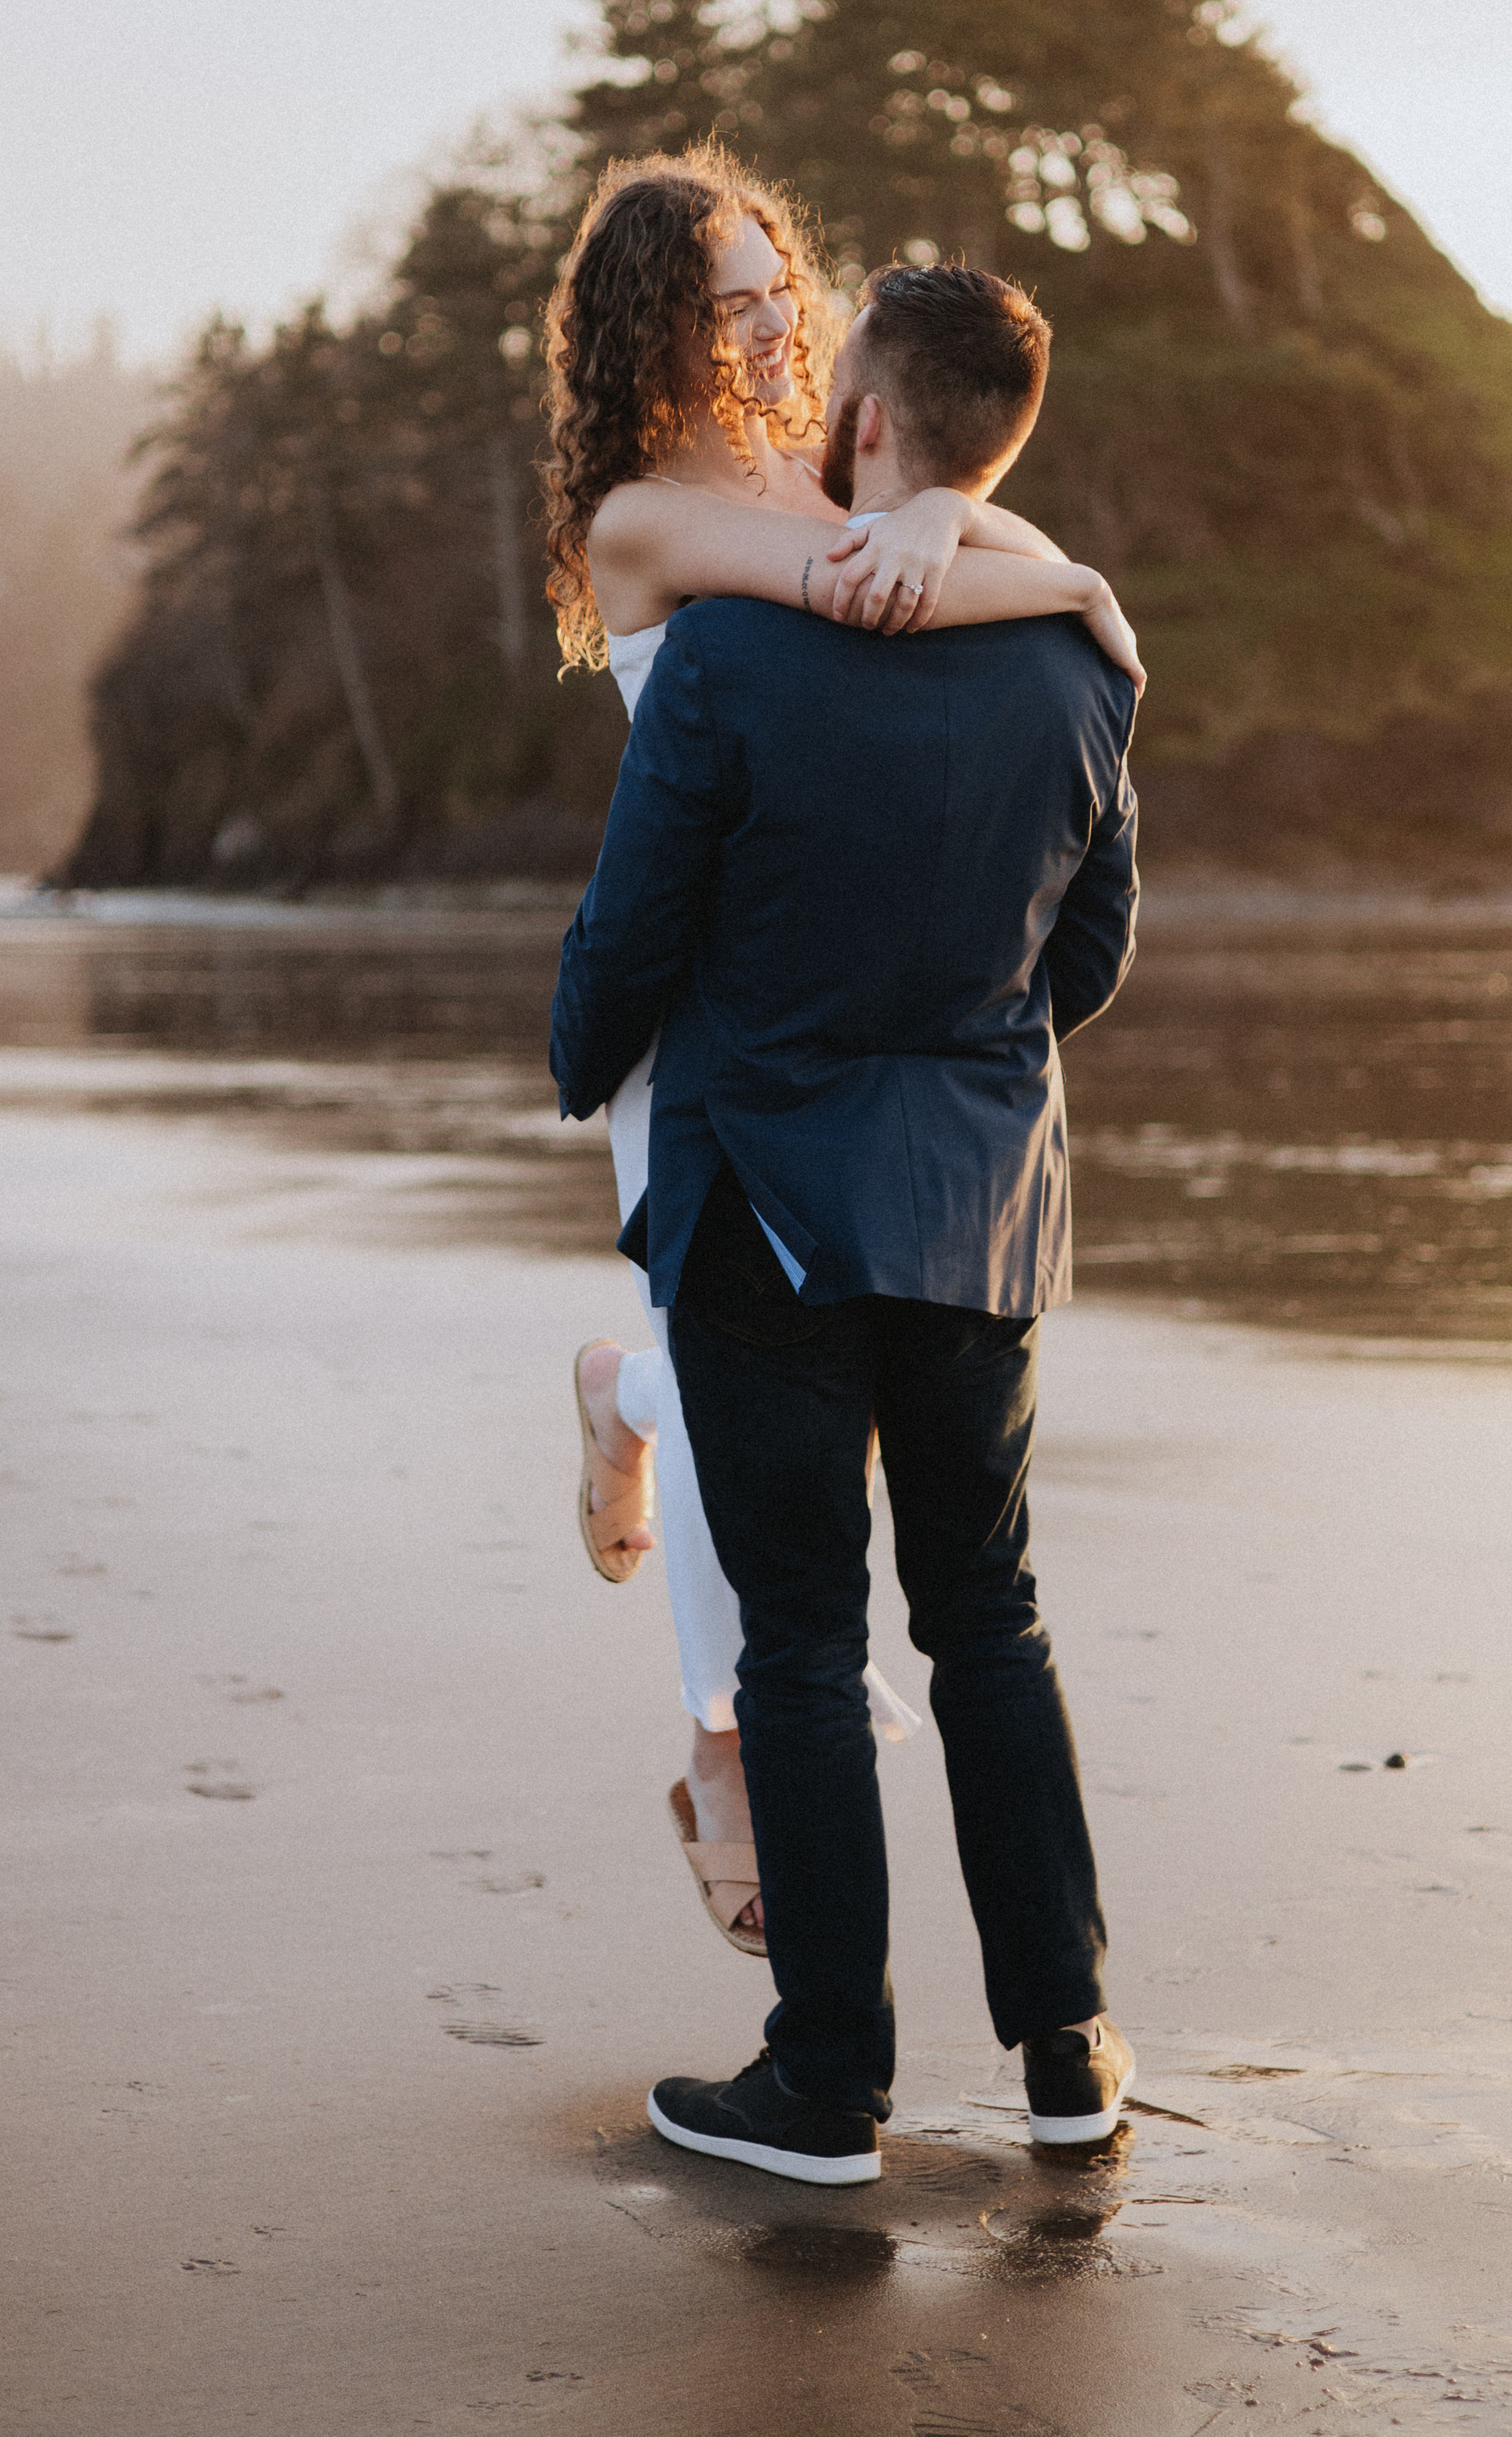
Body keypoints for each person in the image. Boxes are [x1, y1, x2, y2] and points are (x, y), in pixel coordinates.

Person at [551, 259, 1140, 2185]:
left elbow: (634, 929)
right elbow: (1090, 952)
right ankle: (1065, 2055)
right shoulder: (1068, 656)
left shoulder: (728, 650)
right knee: (988, 1614)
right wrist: (956, 1070)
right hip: (980, 1198)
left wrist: (585, 1068)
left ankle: (826, 2083)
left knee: (801, 1639)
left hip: (767, 1194)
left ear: (865, 419)